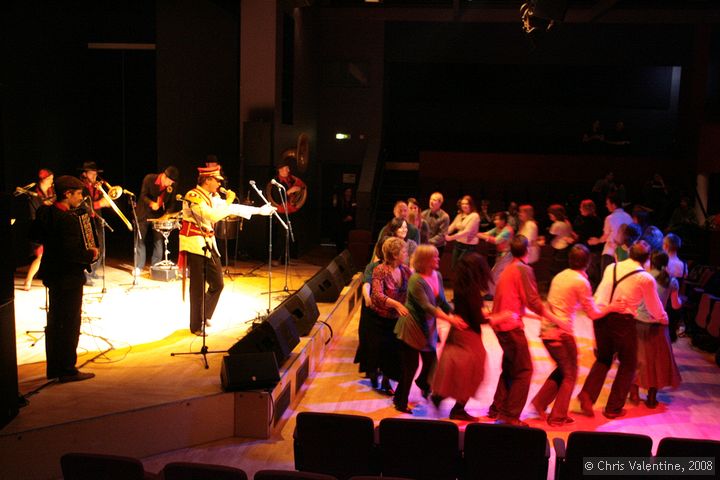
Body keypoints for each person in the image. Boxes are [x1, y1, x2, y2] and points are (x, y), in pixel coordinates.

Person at [531, 245, 623, 427]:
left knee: (564, 369)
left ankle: (540, 402)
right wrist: (612, 307)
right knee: (570, 374)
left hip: (547, 330)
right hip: (560, 333)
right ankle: (557, 417)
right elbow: (593, 314)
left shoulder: (561, 275)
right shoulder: (581, 282)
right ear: (588, 263)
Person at [577, 241, 668, 419]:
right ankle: (613, 407)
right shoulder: (645, 278)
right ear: (647, 258)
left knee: (604, 358)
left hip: (601, 315)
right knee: (629, 363)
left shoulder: (612, 267)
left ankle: (587, 394)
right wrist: (663, 318)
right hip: (621, 320)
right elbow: (654, 307)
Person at [179, 166, 274, 335]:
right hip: (194, 243)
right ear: (207, 180)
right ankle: (195, 325)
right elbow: (213, 216)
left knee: (218, 283)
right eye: (217, 180)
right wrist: (228, 201)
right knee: (197, 287)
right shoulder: (193, 196)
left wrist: (260, 211)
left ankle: (204, 315)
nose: (219, 184)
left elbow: (233, 209)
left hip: (208, 242)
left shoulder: (210, 197)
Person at [430, 253, 518, 421]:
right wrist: (503, 316)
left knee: (455, 370)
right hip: (468, 336)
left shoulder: (462, 285)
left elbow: (472, 311)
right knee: (471, 373)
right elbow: (480, 319)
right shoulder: (471, 291)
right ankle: (458, 408)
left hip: (457, 334)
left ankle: (440, 397)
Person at [29, 175, 99, 382]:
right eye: (78, 194)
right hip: (68, 278)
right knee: (69, 324)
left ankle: (55, 368)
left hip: (53, 275)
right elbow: (73, 254)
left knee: (55, 322)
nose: (81, 199)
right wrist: (92, 254)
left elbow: (36, 235)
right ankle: (68, 369)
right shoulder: (69, 220)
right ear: (67, 194)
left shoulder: (46, 213)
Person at [488, 235, 561, 426]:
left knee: (511, 368)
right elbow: (534, 301)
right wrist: (555, 319)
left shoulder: (509, 268)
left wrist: (534, 316)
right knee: (524, 371)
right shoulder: (523, 269)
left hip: (501, 326)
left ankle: (497, 407)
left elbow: (514, 301)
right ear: (527, 250)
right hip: (510, 328)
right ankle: (510, 416)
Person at [393, 244, 465, 414]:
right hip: (412, 329)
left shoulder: (437, 275)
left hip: (428, 329)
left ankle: (423, 384)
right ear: (425, 260)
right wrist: (449, 319)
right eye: (435, 257)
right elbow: (426, 306)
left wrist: (454, 313)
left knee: (431, 364)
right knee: (409, 369)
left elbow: (441, 300)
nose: (439, 259)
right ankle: (400, 401)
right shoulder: (415, 280)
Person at [630, 252, 682, 409]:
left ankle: (633, 393)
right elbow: (675, 305)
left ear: (650, 262)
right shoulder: (672, 281)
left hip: (638, 323)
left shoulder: (642, 276)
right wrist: (681, 301)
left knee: (637, 358)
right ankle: (652, 397)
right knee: (656, 361)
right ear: (666, 265)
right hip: (659, 324)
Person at [369, 237, 411, 395]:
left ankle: (386, 381)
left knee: (394, 352)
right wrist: (396, 304)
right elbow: (377, 295)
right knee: (382, 351)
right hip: (381, 319)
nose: (406, 253)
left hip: (397, 319)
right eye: (404, 251)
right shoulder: (380, 270)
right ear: (394, 254)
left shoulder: (405, 270)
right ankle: (375, 373)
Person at [135, 166, 179, 275]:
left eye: (172, 182)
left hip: (158, 215)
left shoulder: (172, 185)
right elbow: (143, 195)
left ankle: (155, 267)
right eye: (169, 181)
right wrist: (151, 203)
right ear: (163, 175)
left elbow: (172, 203)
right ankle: (138, 267)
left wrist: (167, 214)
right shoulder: (149, 178)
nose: (170, 184)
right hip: (143, 212)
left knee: (158, 241)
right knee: (140, 240)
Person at [269, 157, 307, 264]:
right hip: (281, 211)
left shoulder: (290, 180)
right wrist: (289, 191)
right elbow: (277, 198)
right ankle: (276, 258)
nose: (288, 171)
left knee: (290, 234)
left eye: (288, 168)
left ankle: (286, 259)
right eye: (286, 168)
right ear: (280, 170)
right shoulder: (275, 182)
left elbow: (301, 187)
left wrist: (298, 190)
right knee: (281, 235)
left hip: (291, 211)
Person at [78, 161, 110, 284]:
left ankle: (93, 271)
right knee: (89, 247)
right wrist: (99, 204)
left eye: (95, 174)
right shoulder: (80, 186)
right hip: (86, 219)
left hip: (97, 218)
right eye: (92, 174)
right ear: (85, 174)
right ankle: (85, 275)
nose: (94, 176)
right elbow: (83, 204)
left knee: (100, 245)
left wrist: (100, 192)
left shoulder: (95, 185)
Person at [24, 168, 55, 290]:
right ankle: (28, 280)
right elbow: (34, 215)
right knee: (40, 256)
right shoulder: (34, 195)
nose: (53, 181)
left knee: (47, 254)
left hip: (50, 227)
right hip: (39, 229)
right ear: (45, 179)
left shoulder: (52, 191)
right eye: (51, 179)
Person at [588, 192, 633, 274]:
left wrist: (597, 241)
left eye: (607, 203)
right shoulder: (628, 217)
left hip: (610, 253)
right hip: (625, 254)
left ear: (614, 205)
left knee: (607, 279)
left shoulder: (610, 218)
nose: (606, 206)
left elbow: (605, 237)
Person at [477, 211, 514, 295]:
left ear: (503, 220)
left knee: (495, 274)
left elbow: (496, 240)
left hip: (507, 255)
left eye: (497, 220)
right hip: (501, 255)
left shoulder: (508, 230)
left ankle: (492, 294)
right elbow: (487, 234)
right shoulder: (498, 228)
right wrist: (475, 233)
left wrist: (481, 236)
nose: (495, 222)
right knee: (497, 275)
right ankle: (495, 293)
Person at [573, 199, 603, 288]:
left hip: (591, 251)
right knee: (589, 274)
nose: (580, 209)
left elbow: (583, 234)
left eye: (581, 207)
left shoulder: (592, 221)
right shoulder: (594, 220)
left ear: (586, 209)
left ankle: (591, 294)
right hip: (589, 251)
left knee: (591, 274)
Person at [445, 195, 480, 268]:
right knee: (454, 267)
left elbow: (467, 231)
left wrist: (451, 237)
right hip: (458, 244)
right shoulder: (460, 215)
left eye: (466, 204)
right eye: (463, 204)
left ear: (471, 205)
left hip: (468, 246)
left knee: (462, 268)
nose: (464, 205)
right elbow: (452, 227)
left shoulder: (475, 216)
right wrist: (443, 233)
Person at [545, 204, 574, 277]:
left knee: (555, 270)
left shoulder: (557, 225)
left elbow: (549, 239)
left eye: (551, 215)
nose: (550, 216)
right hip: (566, 248)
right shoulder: (567, 222)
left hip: (559, 249)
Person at [421, 191, 450, 257]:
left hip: (437, 247)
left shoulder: (444, 216)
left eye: (434, 200)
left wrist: (427, 242)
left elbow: (442, 235)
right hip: (424, 245)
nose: (431, 201)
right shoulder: (423, 214)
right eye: (430, 199)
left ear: (440, 203)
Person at [334, 186, 356, 253]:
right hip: (341, 221)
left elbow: (354, 210)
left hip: (350, 222)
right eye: (347, 192)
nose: (348, 193)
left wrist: (350, 216)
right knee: (340, 237)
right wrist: (344, 218)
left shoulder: (353, 200)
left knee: (349, 237)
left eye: (350, 192)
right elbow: (338, 211)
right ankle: (340, 251)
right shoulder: (340, 200)